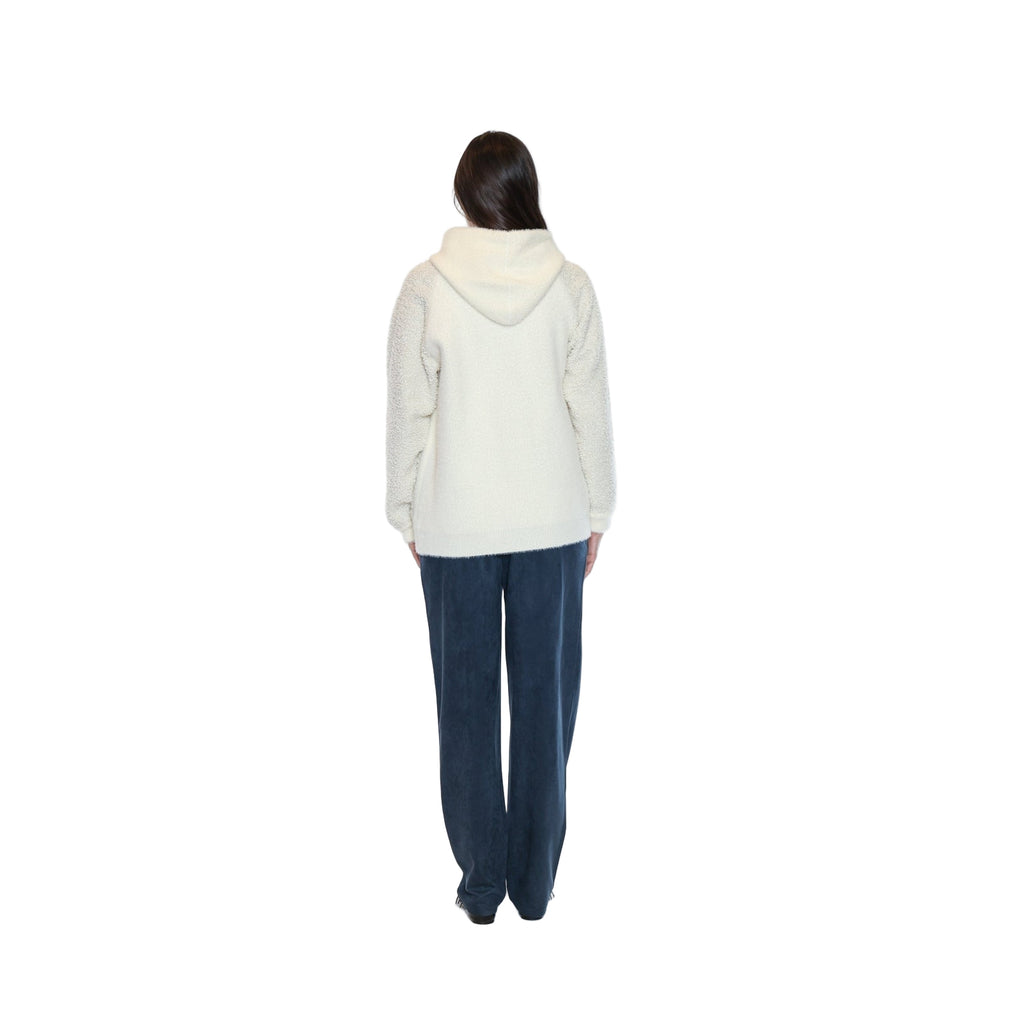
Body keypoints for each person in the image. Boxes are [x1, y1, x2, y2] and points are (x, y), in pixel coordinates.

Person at [384, 130, 616, 924]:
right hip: (552, 520)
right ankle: (534, 885)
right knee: (546, 706)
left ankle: (482, 886)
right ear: (526, 190)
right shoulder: (570, 285)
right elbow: (590, 409)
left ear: (465, 196)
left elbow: (408, 409)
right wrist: (598, 511)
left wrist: (405, 509)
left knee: (466, 708)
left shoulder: (426, 287)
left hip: (457, 525)